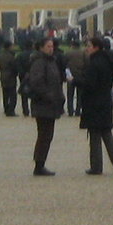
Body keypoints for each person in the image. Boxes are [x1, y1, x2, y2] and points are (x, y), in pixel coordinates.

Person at [77, 35, 113, 175]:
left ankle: (96, 166)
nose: (86, 48)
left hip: (94, 102)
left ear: (96, 47)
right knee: (106, 134)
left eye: (88, 46)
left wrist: (75, 80)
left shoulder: (95, 63)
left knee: (95, 135)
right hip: (105, 100)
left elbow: (90, 84)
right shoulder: (108, 60)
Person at [25, 37, 67, 175]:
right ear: (41, 47)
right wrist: (49, 95)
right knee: (44, 135)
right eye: (48, 46)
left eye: (52, 46)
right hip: (43, 104)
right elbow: (37, 82)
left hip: (50, 104)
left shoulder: (51, 61)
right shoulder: (39, 62)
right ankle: (39, 165)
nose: (51, 48)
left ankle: (41, 162)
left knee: (47, 135)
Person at [0, 39, 20, 116]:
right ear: (9, 47)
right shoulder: (11, 57)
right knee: (12, 95)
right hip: (11, 77)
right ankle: (11, 110)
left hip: (3, 76)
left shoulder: (1, 56)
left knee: (5, 94)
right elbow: (15, 67)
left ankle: (6, 109)